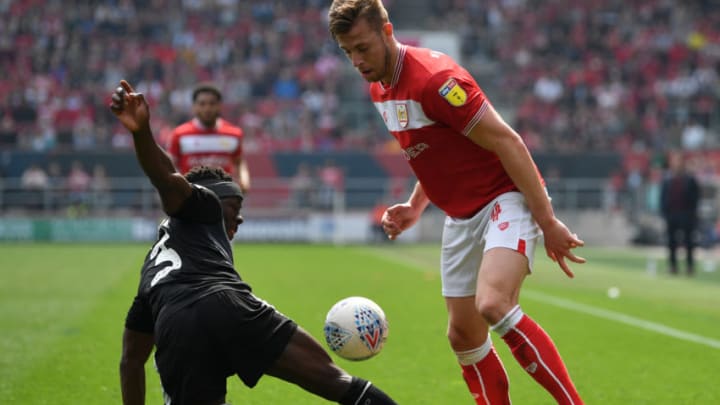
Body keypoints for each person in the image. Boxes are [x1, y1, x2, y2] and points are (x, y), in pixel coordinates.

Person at [328, 2, 585, 404]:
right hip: (461, 215)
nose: (358, 61)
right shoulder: (379, 86)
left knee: (494, 305)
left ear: (387, 31)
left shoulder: (436, 81)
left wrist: (547, 220)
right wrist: (415, 206)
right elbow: (434, 152)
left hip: (505, 197)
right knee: (462, 335)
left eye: (363, 47)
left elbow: (507, 141)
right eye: (348, 52)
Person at [110, 80, 397, 405]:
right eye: (235, 208)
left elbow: (131, 360)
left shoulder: (154, 265)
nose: (240, 219)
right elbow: (167, 177)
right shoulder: (203, 205)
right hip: (229, 306)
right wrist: (141, 132)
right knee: (336, 381)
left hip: (176, 326)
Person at [165, 83, 251, 193]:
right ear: (194, 107)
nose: (207, 108)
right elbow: (170, 166)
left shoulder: (234, 134)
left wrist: (244, 180)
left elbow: (239, 162)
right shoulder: (179, 134)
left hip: (224, 197)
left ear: (219, 106)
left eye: (212, 103)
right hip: (191, 197)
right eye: (202, 104)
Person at [660, 151, 700, 276]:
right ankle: (673, 266)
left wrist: (692, 213)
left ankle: (689, 267)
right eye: (674, 161)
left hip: (686, 214)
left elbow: (695, 198)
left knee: (688, 242)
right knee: (671, 242)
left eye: (678, 161)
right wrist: (664, 212)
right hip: (672, 214)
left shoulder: (690, 179)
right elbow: (663, 197)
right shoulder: (667, 179)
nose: (676, 164)